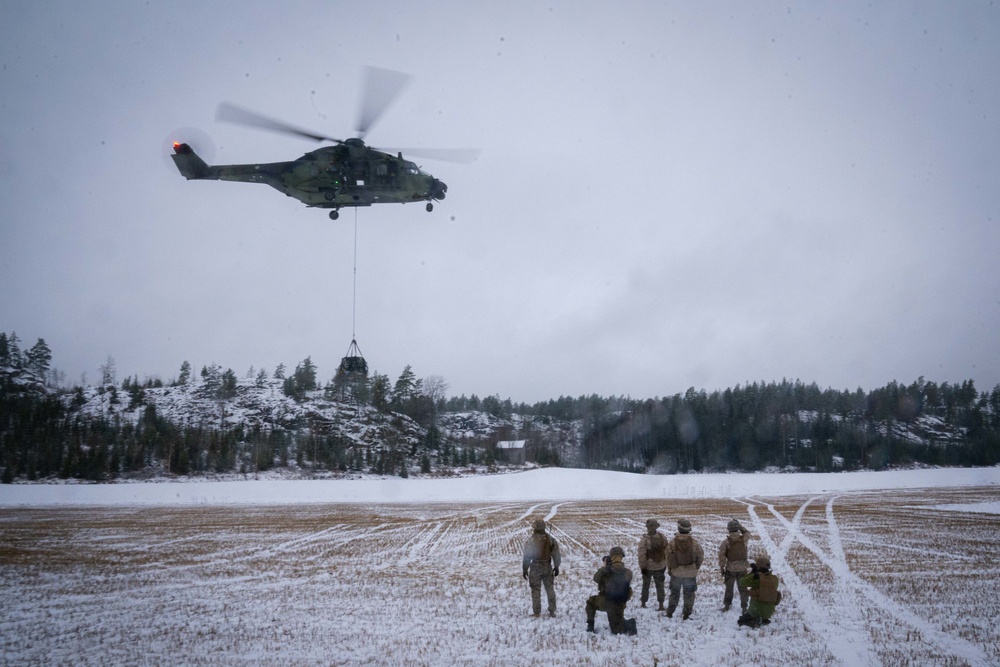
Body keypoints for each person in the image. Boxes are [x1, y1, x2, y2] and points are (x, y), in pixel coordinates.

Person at [586, 546, 634, 634]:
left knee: (590, 602)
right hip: (620, 604)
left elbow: (596, 578)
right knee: (616, 629)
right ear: (622, 557)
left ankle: (590, 625)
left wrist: (604, 567)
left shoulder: (606, 571)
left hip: (606, 602)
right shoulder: (628, 572)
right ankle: (624, 621)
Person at [665, 518, 704, 620]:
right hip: (690, 573)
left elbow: (668, 558)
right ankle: (686, 614)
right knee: (689, 594)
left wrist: (670, 570)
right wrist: (696, 568)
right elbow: (700, 556)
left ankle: (670, 612)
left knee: (674, 594)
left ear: (679, 528)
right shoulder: (694, 542)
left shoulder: (672, 543)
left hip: (676, 573)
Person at [522, 518, 561, 617]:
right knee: (550, 589)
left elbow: (527, 557)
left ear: (535, 528)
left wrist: (525, 569)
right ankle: (552, 611)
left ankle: (536, 612)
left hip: (535, 568)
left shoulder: (531, 540)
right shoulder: (551, 539)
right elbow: (556, 554)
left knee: (535, 590)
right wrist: (556, 567)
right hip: (547, 567)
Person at [737, 555, 782, 628]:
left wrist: (752, 573)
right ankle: (764, 619)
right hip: (769, 613)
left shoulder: (757, 579)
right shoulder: (775, 579)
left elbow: (741, 582)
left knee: (741, 621)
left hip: (755, 611)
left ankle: (755, 621)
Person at [718, 519, 752, 612]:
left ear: (728, 529)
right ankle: (744, 607)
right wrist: (739, 525)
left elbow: (722, 556)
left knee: (729, 588)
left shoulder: (726, 542)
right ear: (737, 529)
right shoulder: (744, 539)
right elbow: (747, 532)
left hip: (730, 569)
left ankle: (727, 606)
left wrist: (722, 568)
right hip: (742, 569)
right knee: (743, 589)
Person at [637, 518, 668, 610]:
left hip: (648, 567)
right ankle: (661, 605)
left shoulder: (644, 540)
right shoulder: (663, 537)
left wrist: (642, 567)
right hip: (660, 566)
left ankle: (643, 603)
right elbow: (667, 550)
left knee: (645, 586)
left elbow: (641, 555)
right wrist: (665, 563)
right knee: (660, 586)